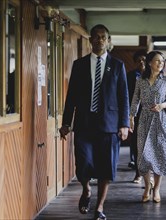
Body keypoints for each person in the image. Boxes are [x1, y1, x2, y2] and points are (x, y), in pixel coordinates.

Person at [59, 24, 129, 220]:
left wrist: (124, 124)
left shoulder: (117, 66)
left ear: (108, 41)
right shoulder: (79, 65)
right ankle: (86, 189)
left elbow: (123, 96)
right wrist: (66, 122)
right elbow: (71, 96)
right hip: (84, 123)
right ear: (90, 40)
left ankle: (99, 208)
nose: (99, 40)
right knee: (83, 163)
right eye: (96, 37)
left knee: (106, 168)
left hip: (109, 125)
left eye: (103, 37)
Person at [130, 51, 166, 203]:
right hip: (144, 119)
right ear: (149, 63)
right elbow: (135, 99)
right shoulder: (140, 80)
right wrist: (131, 117)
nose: (160, 64)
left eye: (162, 62)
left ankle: (156, 189)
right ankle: (146, 187)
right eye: (157, 61)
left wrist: (163, 105)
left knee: (160, 154)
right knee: (143, 155)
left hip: (160, 120)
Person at [126, 49, 147, 183]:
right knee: (136, 145)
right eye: (138, 60)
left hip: (150, 115)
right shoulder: (130, 76)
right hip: (134, 115)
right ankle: (138, 173)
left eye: (144, 60)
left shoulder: (153, 76)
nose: (141, 62)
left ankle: (148, 174)